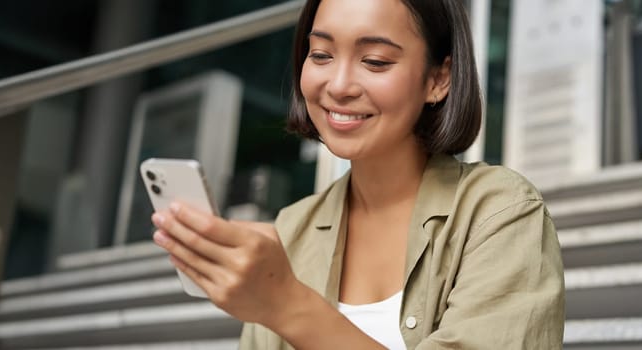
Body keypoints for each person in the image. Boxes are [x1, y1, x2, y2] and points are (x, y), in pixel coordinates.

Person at [150, 0, 565, 348]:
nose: (339, 84)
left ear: (439, 79)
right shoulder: (292, 230)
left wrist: (287, 304)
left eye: (375, 61)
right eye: (321, 55)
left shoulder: (501, 213)